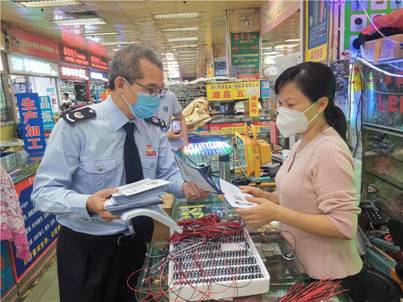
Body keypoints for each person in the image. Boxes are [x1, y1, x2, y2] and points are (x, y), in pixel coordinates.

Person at [32, 44, 208, 302]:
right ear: (121, 84)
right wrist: (88, 203)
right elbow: (44, 193)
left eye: (160, 91)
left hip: (138, 246)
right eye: (150, 90)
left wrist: (185, 186)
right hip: (88, 252)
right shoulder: (76, 128)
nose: (157, 98)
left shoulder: (152, 128)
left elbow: (167, 173)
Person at [237, 62, 367, 302]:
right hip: (305, 269)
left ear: (320, 104)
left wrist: (276, 212)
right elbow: (305, 196)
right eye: (280, 104)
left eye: (291, 105)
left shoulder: (328, 149)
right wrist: (268, 198)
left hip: (332, 281)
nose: (283, 111)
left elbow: (343, 226)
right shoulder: (303, 142)